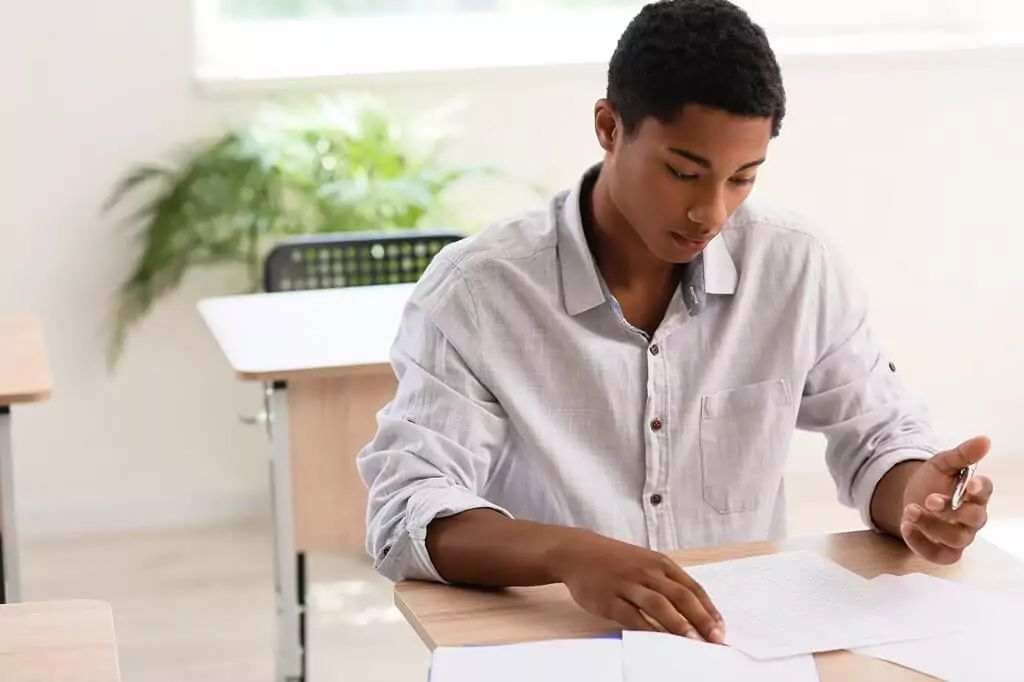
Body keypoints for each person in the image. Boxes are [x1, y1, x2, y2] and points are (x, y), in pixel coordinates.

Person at [357, 0, 995, 644]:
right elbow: (405, 510)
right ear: (609, 127)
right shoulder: (480, 291)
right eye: (683, 173)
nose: (710, 212)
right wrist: (567, 554)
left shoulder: (796, 268)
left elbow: (877, 440)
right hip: (551, 642)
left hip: (738, 646)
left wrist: (922, 499)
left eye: (742, 178)